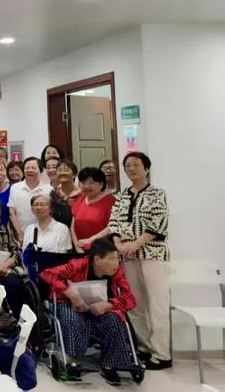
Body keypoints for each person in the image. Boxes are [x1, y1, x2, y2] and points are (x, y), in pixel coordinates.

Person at [40, 239, 137, 386]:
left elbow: (130, 298)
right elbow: (47, 274)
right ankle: (73, 358)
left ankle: (109, 364)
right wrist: (68, 292)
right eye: (112, 259)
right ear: (97, 259)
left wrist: (109, 305)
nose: (116, 263)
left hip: (100, 307)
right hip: (71, 304)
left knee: (115, 318)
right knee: (71, 319)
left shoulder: (117, 272)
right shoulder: (77, 265)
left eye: (117, 258)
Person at [108, 152, 171, 370]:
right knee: (135, 303)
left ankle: (162, 354)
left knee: (157, 304)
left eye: (136, 165)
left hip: (152, 254)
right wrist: (119, 244)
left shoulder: (157, 194)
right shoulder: (121, 196)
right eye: (128, 165)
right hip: (126, 255)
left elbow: (158, 223)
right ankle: (144, 347)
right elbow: (114, 222)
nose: (131, 169)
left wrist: (135, 244)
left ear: (146, 168)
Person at [8, 156, 52, 243]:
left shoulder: (48, 189)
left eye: (33, 168)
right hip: (20, 233)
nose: (30, 170)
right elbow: (12, 212)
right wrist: (19, 233)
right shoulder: (15, 188)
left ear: (40, 170)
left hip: (43, 234)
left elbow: (51, 213)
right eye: (27, 168)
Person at [71, 167, 115, 252]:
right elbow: (72, 227)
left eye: (91, 182)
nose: (87, 186)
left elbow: (112, 226)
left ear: (101, 184)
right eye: (83, 182)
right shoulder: (80, 199)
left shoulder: (111, 201)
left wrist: (89, 240)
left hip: (102, 250)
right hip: (79, 249)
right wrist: (77, 245)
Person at [51, 159, 80, 228]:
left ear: (74, 175)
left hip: (77, 230)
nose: (62, 173)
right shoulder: (53, 193)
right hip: (57, 230)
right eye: (59, 170)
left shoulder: (82, 195)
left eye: (66, 170)